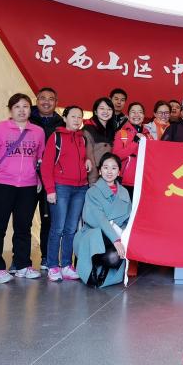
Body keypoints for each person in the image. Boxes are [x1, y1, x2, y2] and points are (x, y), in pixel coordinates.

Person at [0, 93, 45, 283]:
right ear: (10, 110)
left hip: (28, 186)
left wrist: (39, 179)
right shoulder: (0, 128)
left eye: (25, 106)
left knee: (23, 227)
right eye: (17, 107)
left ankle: (22, 265)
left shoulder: (38, 131)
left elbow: (40, 158)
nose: (21, 110)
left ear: (30, 110)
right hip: (2, 184)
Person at [40, 105, 91, 282]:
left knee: (71, 229)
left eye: (79, 117)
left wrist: (87, 161)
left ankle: (67, 265)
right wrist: (50, 190)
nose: (77, 120)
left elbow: (80, 158)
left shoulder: (82, 138)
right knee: (58, 228)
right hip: (61, 187)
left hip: (81, 188)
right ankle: (53, 265)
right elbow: (46, 166)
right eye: (73, 116)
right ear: (65, 118)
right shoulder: (56, 137)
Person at [73, 153, 131, 288]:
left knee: (114, 257)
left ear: (119, 172)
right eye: (105, 167)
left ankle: (104, 270)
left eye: (114, 168)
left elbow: (128, 220)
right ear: (99, 171)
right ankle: (92, 266)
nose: (109, 171)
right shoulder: (92, 192)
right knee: (100, 240)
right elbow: (99, 219)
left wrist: (123, 236)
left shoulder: (124, 193)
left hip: (117, 235)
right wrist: (116, 240)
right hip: (94, 235)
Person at [29, 87, 64, 271]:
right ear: (36, 100)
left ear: (56, 102)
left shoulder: (61, 124)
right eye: (42, 98)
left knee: (48, 220)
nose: (46, 102)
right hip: (27, 177)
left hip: (50, 178)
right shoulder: (27, 119)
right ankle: (21, 261)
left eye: (51, 99)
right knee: (24, 219)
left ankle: (45, 257)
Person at [113, 102, 152, 199]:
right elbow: (116, 156)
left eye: (140, 112)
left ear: (143, 116)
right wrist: (135, 142)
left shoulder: (149, 136)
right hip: (125, 181)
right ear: (128, 115)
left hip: (144, 181)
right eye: (133, 112)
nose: (136, 115)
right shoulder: (121, 133)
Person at [84, 97, 116, 185]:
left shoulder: (112, 129)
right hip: (94, 178)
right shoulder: (88, 129)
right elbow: (89, 155)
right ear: (95, 111)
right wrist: (93, 181)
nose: (106, 111)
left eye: (109, 109)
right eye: (102, 108)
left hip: (108, 176)